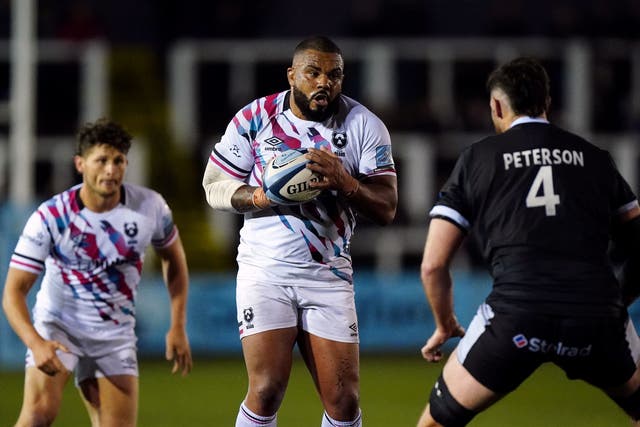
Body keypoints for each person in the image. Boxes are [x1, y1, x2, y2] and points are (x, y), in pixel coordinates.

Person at [416, 57, 640, 427]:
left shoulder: (478, 159)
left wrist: (444, 324)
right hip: (596, 316)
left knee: (437, 422)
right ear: (547, 104)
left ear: (497, 106)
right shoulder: (596, 158)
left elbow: (433, 264)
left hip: (517, 315)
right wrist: (617, 300)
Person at [202, 35, 397, 427]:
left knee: (344, 401)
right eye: (313, 72)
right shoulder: (255, 118)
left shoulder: (365, 126)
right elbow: (214, 186)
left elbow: (387, 207)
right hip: (265, 271)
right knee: (266, 388)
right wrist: (259, 196)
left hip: (328, 274)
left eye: (334, 75)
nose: (324, 82)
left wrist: (346, 181)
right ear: (292, 74)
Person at [2, 118, 193, 427]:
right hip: (59, 327)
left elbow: (174, 260)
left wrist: (178, 325)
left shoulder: (150, 207)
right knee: (39, 413)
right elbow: (13, 292)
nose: (110, 169)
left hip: (114, 334)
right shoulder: (51, 216)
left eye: (118, 161)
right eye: (101, 160)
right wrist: (36, 343)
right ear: (80, 164)